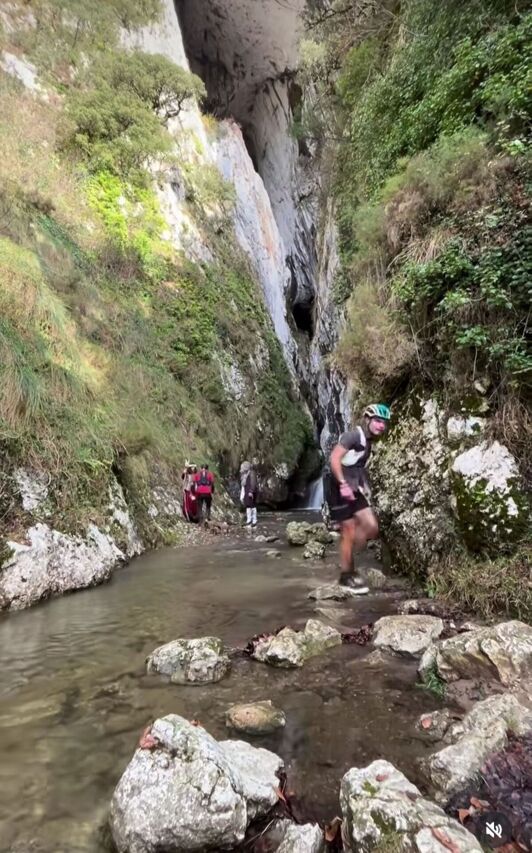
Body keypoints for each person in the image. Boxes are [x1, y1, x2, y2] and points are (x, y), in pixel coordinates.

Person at [327, 403, 391, 591]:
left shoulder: (369, 441)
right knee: (348, 531)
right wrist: (343, 484)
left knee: (371, 527)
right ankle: (346, 576)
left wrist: (363, 485)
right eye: (378, 421)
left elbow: (357, 465)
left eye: (384, 423)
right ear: (367, 419)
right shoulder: (353, 436)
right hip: (338, 488)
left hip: (354, 488)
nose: (381, 426)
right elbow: (334, 459)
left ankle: (347, 554)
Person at [240, 461, 258, 527]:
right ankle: (249, 520)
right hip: (247, 491)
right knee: (248, 506)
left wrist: (251, 491)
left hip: (251, 492)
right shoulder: (245, 474)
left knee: (252, 506)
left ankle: (254, 520)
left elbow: (253, 483)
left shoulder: (252, 473)